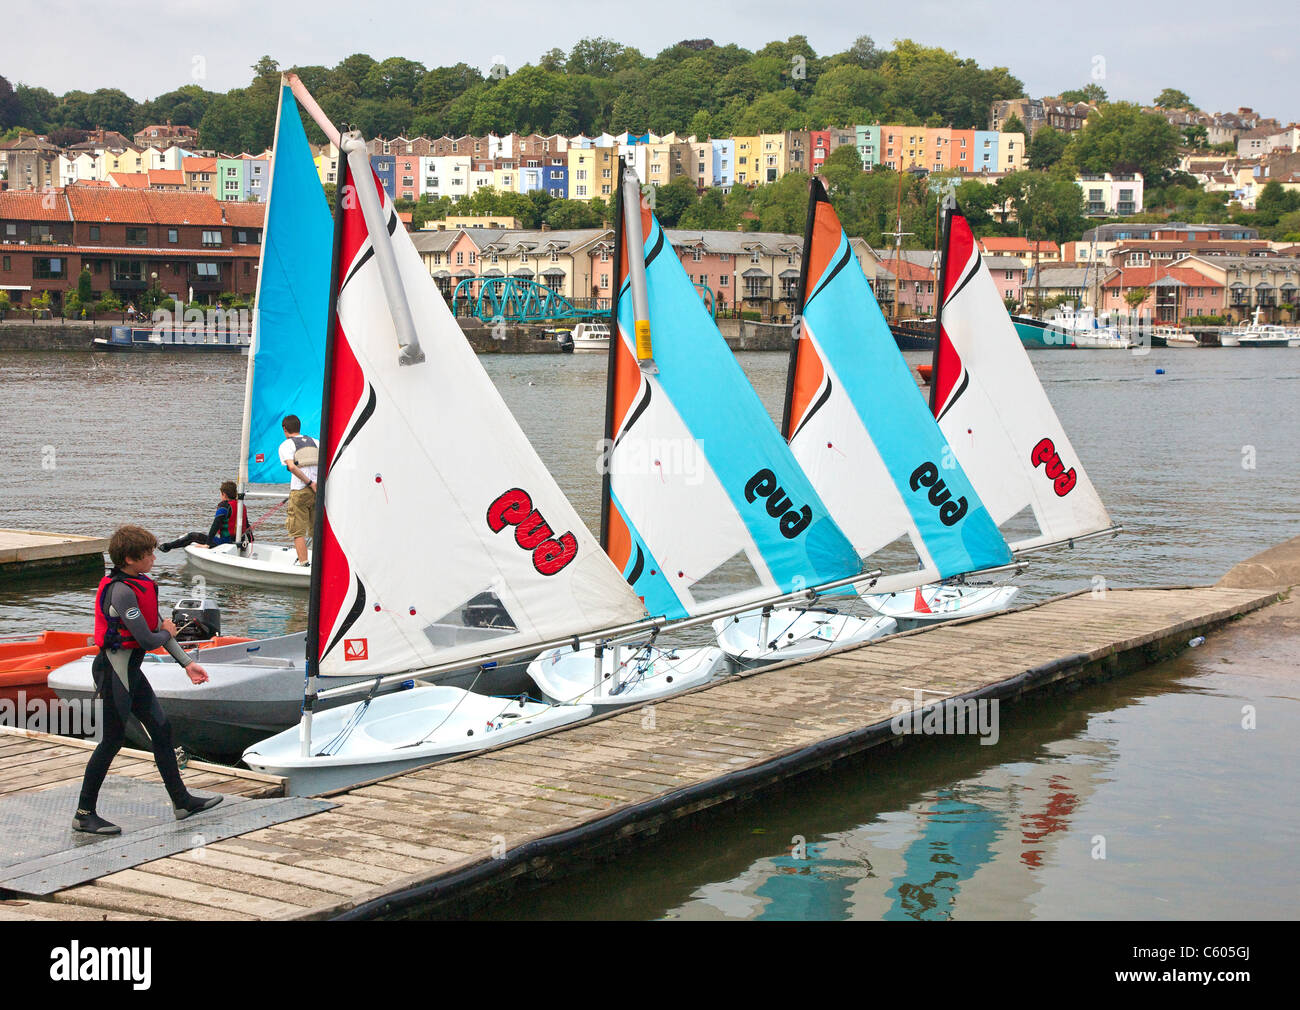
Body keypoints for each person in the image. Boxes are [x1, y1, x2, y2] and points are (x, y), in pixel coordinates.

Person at [74, 525, 223, 835]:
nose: (154, 558)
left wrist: (187, 663)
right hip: (113, 672)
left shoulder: (139, 584)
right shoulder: (121, 590)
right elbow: (147, 638)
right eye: (148, 554)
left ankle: (182, 802)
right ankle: (84, 813)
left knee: (161, 729)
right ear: (129, 559)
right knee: (112, 741)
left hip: (130, 672)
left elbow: (157, 626)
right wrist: (167, 631)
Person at [158, 480, 252, 553]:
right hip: (240, 541)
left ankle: (166, 547)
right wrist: (251, 541)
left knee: (192, 536)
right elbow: (247, 526)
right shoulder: (241, 506)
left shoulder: (224, 507)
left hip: (225, 542)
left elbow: (215, 525)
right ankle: (167, 546)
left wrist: (207, 543)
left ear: (224, 494)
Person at [278, 414, 318, 567]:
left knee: (297, 530)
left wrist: (309, 482)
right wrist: (316, 484)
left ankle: (304, 563)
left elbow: (291, 466)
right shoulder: (315, 442)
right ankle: (319, 565)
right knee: (316, 529)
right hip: (317, 491)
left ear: (285, 429)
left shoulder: (286, 445)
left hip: (301, 490)